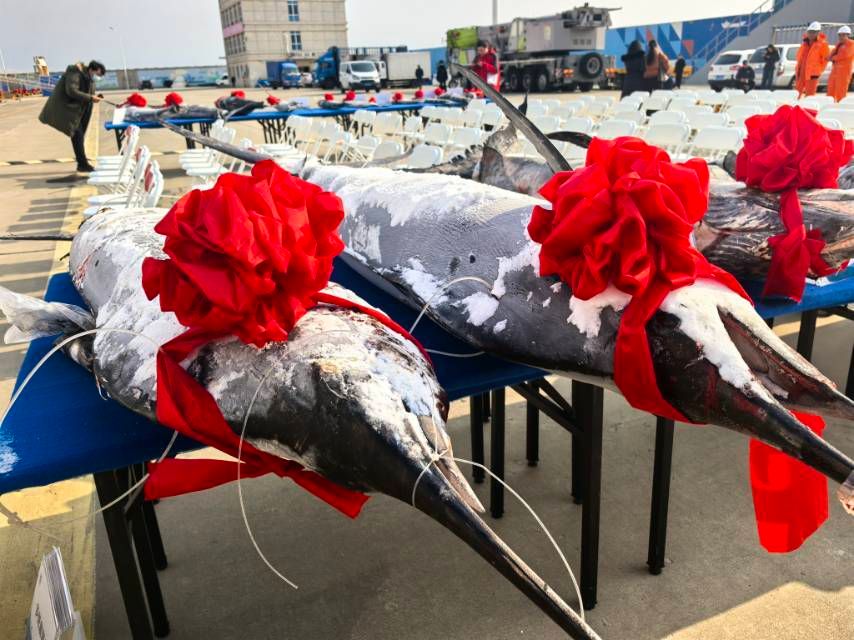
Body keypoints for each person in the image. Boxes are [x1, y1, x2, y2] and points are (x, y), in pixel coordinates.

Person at [38, 60, 105, 172]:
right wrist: (90, 98)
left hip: (76, 111)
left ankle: (82, 164)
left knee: (78, 136)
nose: (97, 78)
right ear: (91, 69)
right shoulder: (74, 73)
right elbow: (71, 91)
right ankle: (82, 164)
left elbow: (88, 92)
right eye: (97, 74)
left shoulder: (88, 77)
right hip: (66, 109)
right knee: (77, 135)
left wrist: (95, 97)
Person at [795, 22, 830, 97]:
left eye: (813, 32)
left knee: (810, 95)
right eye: (810, 32)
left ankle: (808, 105)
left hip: (812, 73)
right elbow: (799, 57)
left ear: (818, 32)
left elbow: (825, 59)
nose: (811, 34)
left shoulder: (823, 44)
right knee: (796, 94)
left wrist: (818, 70)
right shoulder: (804, 43)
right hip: (801, 72)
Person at [827, 25, 854, 102]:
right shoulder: (839, 44)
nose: (841, 37)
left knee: (841, 91)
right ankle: (829, 104)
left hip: (844, 72)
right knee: (831, 90)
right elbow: (832, 52)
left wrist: (832, 58)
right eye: (840, 35)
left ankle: (840, 105)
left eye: (843, 35)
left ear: (848, 35)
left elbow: (845, 55)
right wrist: (829, 57)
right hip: (835, 71)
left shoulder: (851, 44)